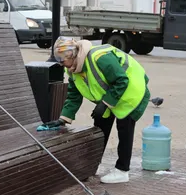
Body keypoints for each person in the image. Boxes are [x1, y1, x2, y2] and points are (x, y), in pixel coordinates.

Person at [42, 37, 151, 184]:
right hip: (112, 95)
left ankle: (122, 170)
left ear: (72, 55)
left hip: (132, 92)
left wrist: (105, 103)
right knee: (100, 125)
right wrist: (63, 119)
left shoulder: (100, 57)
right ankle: (94, 164)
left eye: (62, 60)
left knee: (124, 128)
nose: (61, 64)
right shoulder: (74, 69)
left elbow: (121, 80)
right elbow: (74, 96)